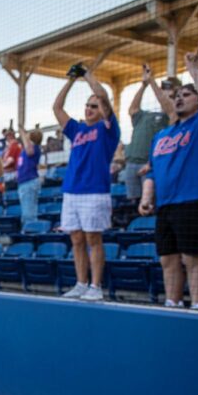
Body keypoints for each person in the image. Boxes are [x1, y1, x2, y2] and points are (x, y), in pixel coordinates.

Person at [139, 43, 198, 311]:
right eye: (177, 95)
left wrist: (193, 69)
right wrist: (146, 196)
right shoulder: (161, 136)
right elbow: (153, 170)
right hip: (166, 205)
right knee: (168, 259)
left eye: (187, 95)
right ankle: (172, 304)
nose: (179, 98)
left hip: (194, 200)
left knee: (192, 257)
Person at [53, 63, 121, 301]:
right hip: (72, 191)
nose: (91, 108)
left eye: (95, 106)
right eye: (88, 105)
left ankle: (96, 285)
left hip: (95, 191)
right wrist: (71, 79)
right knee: (76, 239)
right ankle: (81, 283)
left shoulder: (108, 129)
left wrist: (88, 76)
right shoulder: (77, 129)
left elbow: (102, 97)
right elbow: (57, 107)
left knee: (94, 239)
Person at [123, 67, 178, 203]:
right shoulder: (146, 114)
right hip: (132, 163)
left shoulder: (173, 116)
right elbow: (133, 109)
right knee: (133, 204)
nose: (165, 92)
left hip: (150, 165)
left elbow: (169, 108)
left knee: (150, 201)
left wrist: (153, 83)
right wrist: (144, 84)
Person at [16, 124, 44, 226]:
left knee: (29, 214)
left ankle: (31, 233)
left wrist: (23, 133)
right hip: (23, 183)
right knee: (26, 213)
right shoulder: (26, 149)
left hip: (29, 182)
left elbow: (29, 149)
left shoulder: (34, 148)